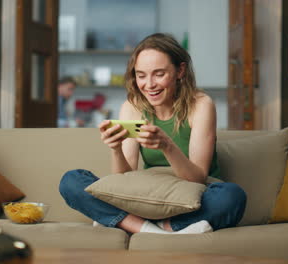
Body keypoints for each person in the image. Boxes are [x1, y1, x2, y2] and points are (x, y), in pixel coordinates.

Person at [59, 33, 247, 234]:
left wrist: (167, 145)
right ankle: (156, 229)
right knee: (72, 181)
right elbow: (123, 179)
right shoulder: (132, 107)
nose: (149, 85)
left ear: (180, 71)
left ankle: (137, 225)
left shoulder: (201, 104)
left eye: (159, 74)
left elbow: (197, 179)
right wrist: (116, 149)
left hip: (194, 198)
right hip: (148, 197)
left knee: (232, 196)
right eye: (141, 75)